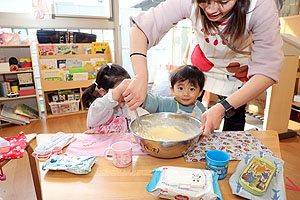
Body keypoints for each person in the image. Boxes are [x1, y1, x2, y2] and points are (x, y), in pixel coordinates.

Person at [123, 0, 284, 137]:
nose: (212, 9)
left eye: (223, 2)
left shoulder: (261, 5)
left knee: (234, 117)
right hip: (204, 62)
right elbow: (140, 29)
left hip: (237, 69)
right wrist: (140, 77)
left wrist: (223, 107)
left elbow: (267, 70)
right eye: (204, 1)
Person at [142, 65, 206, 121]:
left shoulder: (200, 109)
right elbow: (153, 101)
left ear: (200, 92)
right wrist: (141, 97)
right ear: (172, 90)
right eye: (181, 88)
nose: (186, 94)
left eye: (192, 89)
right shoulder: (167, 104)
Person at [82, 63, 131, 129]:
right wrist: (118, 90)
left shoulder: (122, 105)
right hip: (99, 139)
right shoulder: (98, 107)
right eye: (121, 92)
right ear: (103, 92)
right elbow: (107, 101)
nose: (125, 95)